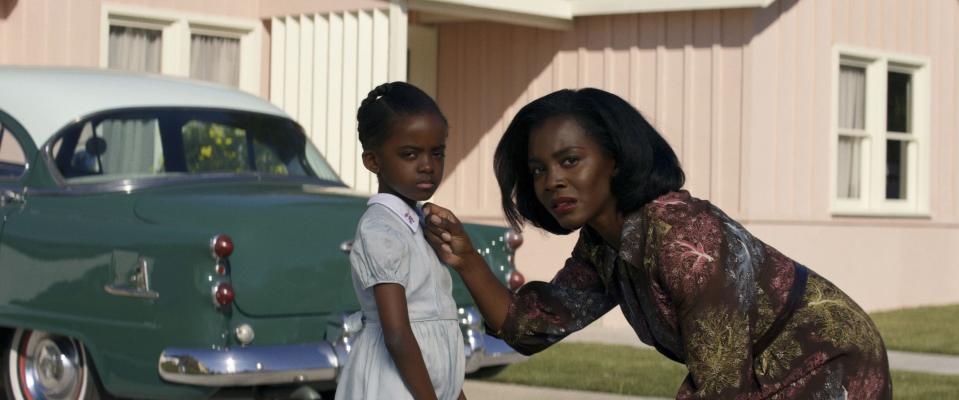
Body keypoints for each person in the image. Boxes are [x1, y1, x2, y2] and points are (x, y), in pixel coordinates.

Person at [423, 88, 891, 399]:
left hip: (827, 364)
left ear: (617, 161)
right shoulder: (603, 243)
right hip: (750, 376)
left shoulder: (686, 243)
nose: (552, 182)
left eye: (570, 160)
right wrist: (465, 259)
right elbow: (529, 328)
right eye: (540, 169)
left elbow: (722, 388)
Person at [335, 82, 466, 400]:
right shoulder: (381, 230)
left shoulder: (420, 225)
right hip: (393, 386)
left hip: (424, 385)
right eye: (410, 154)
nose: (427, 165)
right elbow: (396, 333)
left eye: (437, 153)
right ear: (373, 161)